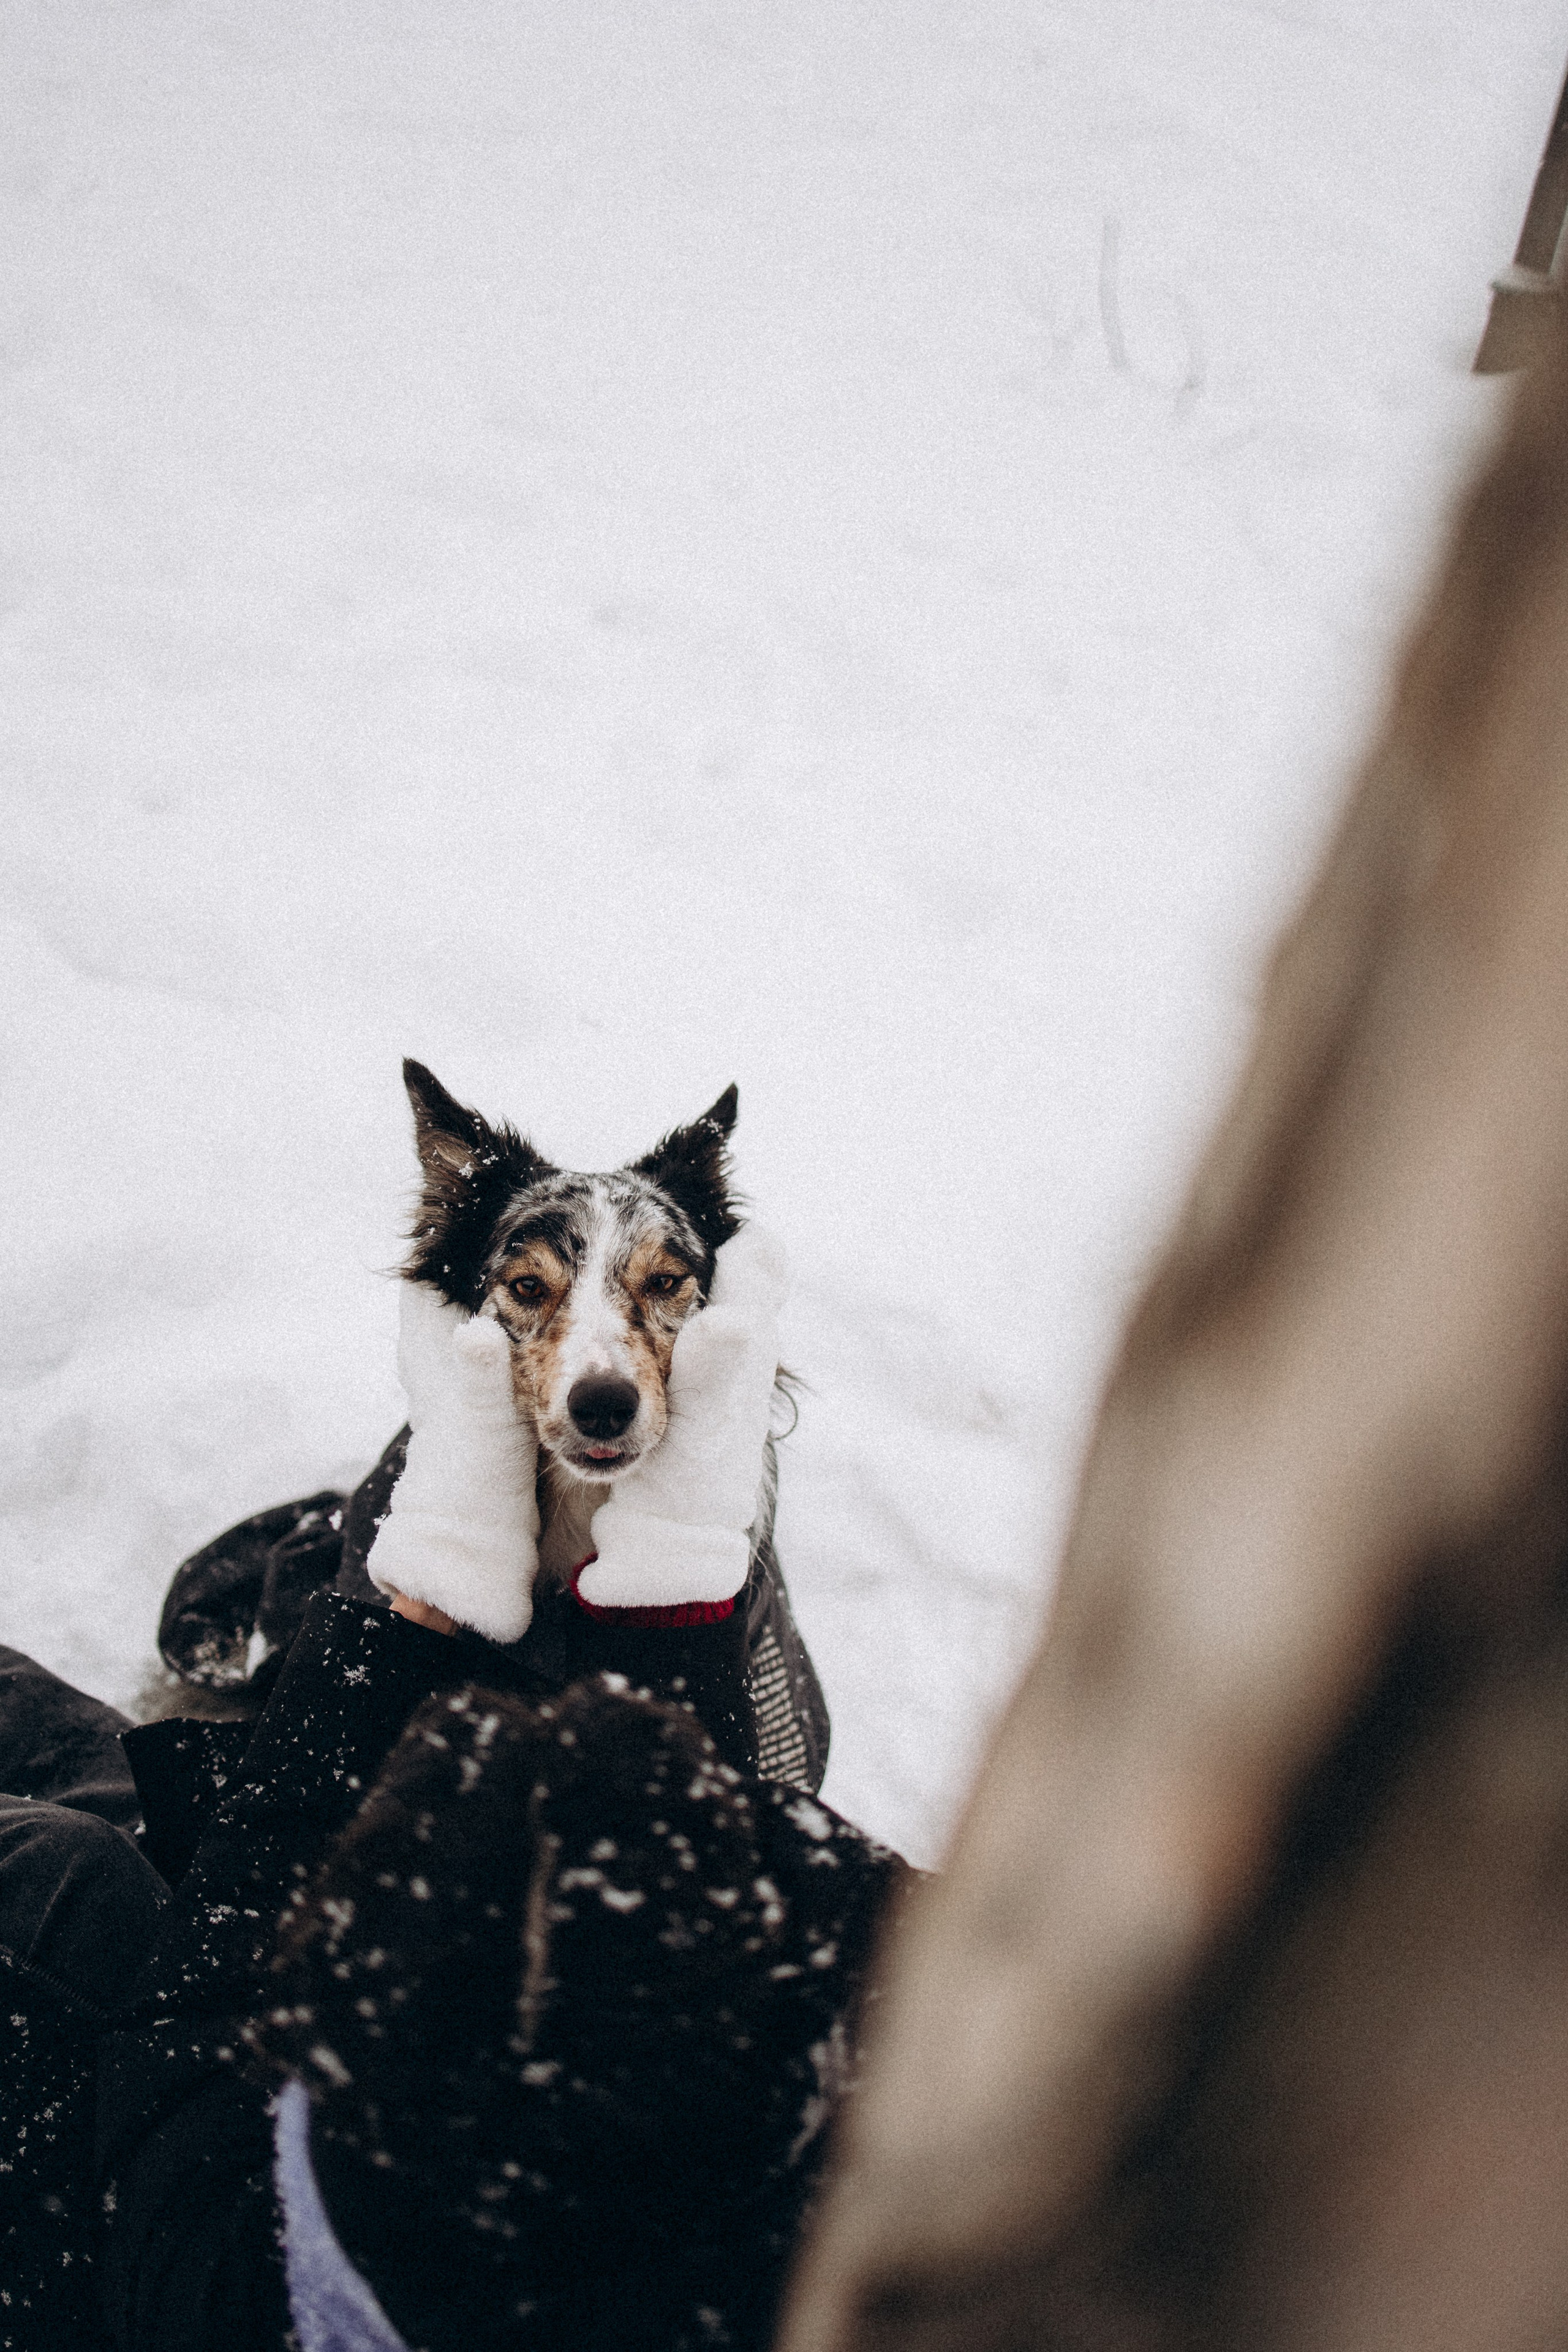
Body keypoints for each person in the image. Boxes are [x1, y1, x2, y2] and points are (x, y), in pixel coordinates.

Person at [1, 1231, 908, 2351]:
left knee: (65, 1872)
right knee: (136, 1796)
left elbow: (202, 2036)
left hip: (102, 2200)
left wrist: (421, 1596)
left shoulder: (254, 2290)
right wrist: (669, 1593)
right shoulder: (934, 2070)